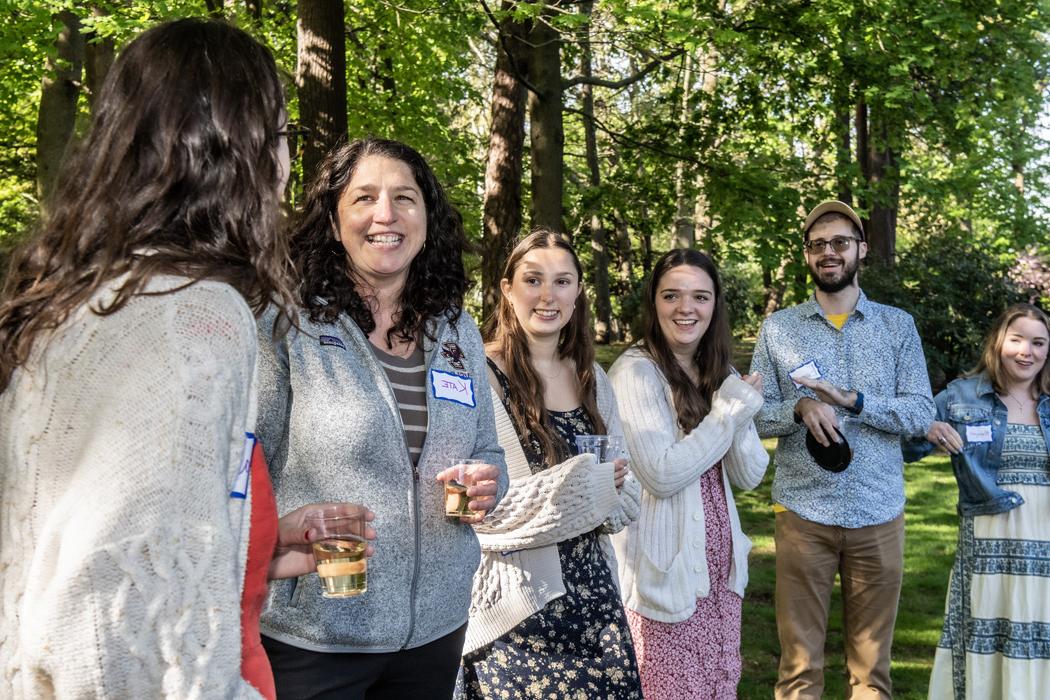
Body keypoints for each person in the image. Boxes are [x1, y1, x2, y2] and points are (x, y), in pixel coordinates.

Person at [0, 19, 377, 699]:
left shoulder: (78, 298)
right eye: (283, 136)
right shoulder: (194, 318)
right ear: (239, 152)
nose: (289, 163)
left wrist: (255, 546)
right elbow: (117, 630)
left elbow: (117, 540)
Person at [254, 136, 507, 700]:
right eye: (364, 198)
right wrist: (279, 536)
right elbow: (245, 469)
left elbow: (489, 449)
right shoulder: (285, 323)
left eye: (405, 198)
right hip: (314, 637)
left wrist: (488, 484)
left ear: (428, 216)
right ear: (333, 217)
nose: (385, 215)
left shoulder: (455, 330)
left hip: (436, 631)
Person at [749, 200, 934, 699]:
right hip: (803, 513)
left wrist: (855, 400)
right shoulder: (778, 329)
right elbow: (753, 415)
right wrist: (799, 409)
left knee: (872, 672)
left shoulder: (897, 327)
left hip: (878, 511)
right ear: (807, 255)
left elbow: (920, 414)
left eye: (840, 243)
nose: (829, 252)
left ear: (861, 250)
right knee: (799, 668)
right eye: (818, 244)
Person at [459, 230, 643, 698]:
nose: (548, 295)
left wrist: (601, 493)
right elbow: (481, 512)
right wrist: (590, 488)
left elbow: (626, 501)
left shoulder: (593, 378)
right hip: (518, 615)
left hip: (597, 603)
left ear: (578, 292)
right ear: (506, 289)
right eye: (533, 280)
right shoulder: (478, 376)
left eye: (562, 282)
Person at [608, 248, 768, 699]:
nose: (686, 308)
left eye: (700, 297)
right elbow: (661, 474)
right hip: (666, 583)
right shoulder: (636, 373)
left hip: (718, 581)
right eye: (671, 295)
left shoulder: (717, 372)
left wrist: (731, 406)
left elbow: (751, 473)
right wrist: (730, 412)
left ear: (715, 305)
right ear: (653, 303)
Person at [904, 303, 1050, 699]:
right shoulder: (961, 395)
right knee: (985, 627)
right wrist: (930, 428)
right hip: (987, 538)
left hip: (1046, 542)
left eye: (1038, 343)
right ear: (998, 342)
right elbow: (905, 444)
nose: (1027, 351)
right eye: (1017, 339)